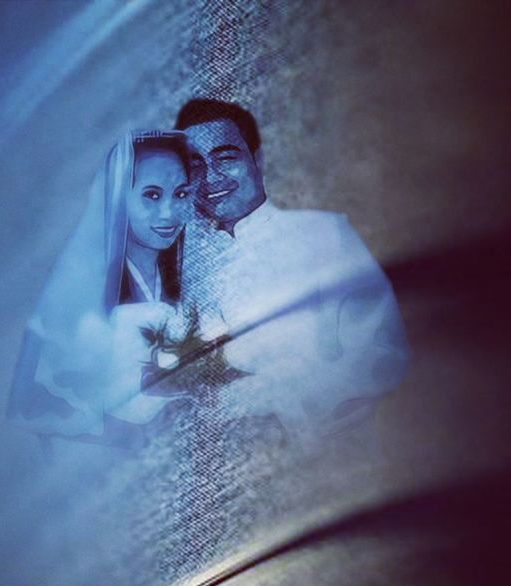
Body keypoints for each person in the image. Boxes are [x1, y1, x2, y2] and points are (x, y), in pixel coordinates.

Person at [174, 99, 409, 450]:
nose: (211, 177)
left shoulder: (322, 234)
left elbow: (382, 355)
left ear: (257, 160)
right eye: (195, 167)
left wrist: (268, 396)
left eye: (225, 158)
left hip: (341, 452)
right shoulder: (192, 276)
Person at [7, 131, 191, 442]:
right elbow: (27, 406)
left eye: (181, 194)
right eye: (152, 195)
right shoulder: (81, 286)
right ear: (118, 198)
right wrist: (136, 431)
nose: (169, 212)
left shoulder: (185, 272)